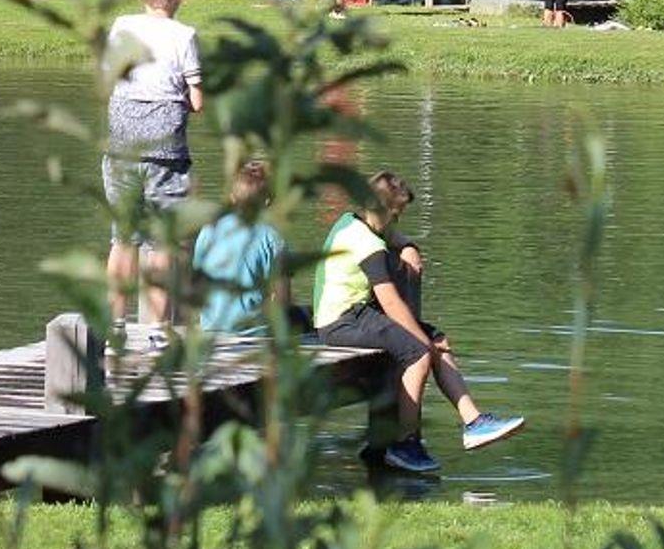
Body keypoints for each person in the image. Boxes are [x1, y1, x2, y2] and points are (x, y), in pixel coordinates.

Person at [311, 171, 524, 475]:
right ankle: (404, 444)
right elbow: (390, 302)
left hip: (357, 314)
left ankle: (474, 422)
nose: (397, 221)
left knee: (438, 341)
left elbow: (393, 237)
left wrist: (409, 246)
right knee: (419, 353)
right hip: (340, 322)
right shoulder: (365, 243)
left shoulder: (356, 220)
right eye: (396, 214)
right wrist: (420, 344)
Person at [102, 0, 204, 344]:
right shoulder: (185, 35)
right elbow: (197, 101)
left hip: (121, 151)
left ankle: (114, 325)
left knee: (122, 240)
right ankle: (158, 331)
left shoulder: (121, 27)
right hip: (167, 154)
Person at [192, 160, 291, 335]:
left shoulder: (209, 230)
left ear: (232, 197)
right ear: (268, 201)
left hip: (211, 328)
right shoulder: (272, 238)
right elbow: (282, 297)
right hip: (255, 332)